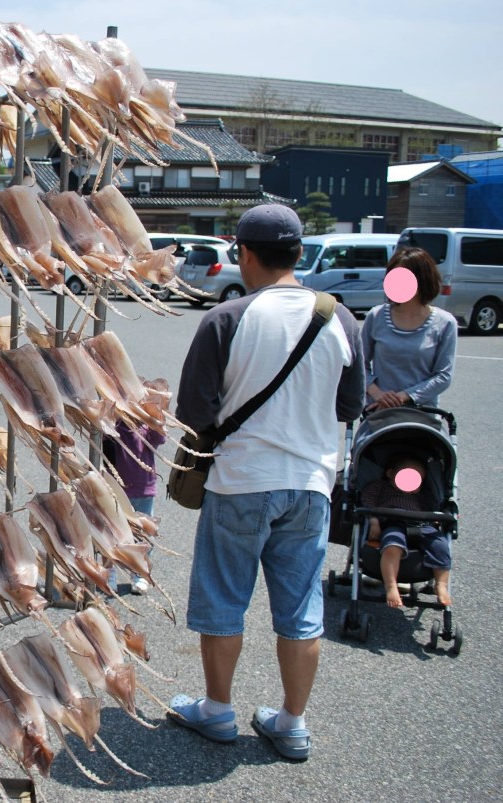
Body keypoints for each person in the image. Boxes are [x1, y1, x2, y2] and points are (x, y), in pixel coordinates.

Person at [169, 204, 364, 762]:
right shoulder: (340, 318)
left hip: (241, 478)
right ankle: (292, 722)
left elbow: (195, 412)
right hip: (311, 482)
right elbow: (349, 405)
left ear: (244, 254)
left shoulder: (226, 318)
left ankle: (217, 709)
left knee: (224, 597)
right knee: (301, 606)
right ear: (299, 253)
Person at [362, 246, 457, 411]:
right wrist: (376, 393)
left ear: (423, 280)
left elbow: (443, 376)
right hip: (379, 412)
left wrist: (404, 397)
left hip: (423, 414)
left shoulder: (445, 323)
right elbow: (359, 364)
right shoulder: (376, 316)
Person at [362, 456, 452, 608]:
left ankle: (441, 585)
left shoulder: (421, 496)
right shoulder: (380, 487)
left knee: (441, 545)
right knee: (392, 546)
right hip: (392, 522)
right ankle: (391, 586)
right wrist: (374, 522)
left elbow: (433, 508)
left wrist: (440, 517)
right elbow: (368, 503)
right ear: (391, 474)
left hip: (421, 523)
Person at [103, 419, 165, 595]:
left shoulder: (146, 426)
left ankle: (140, 573)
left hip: (144, 490)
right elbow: (103, 438)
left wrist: (156, 415)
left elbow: (159, 437)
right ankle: (109, 572)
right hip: (115, 489)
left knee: (143, 535)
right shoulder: (113, 425)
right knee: (110, 533)